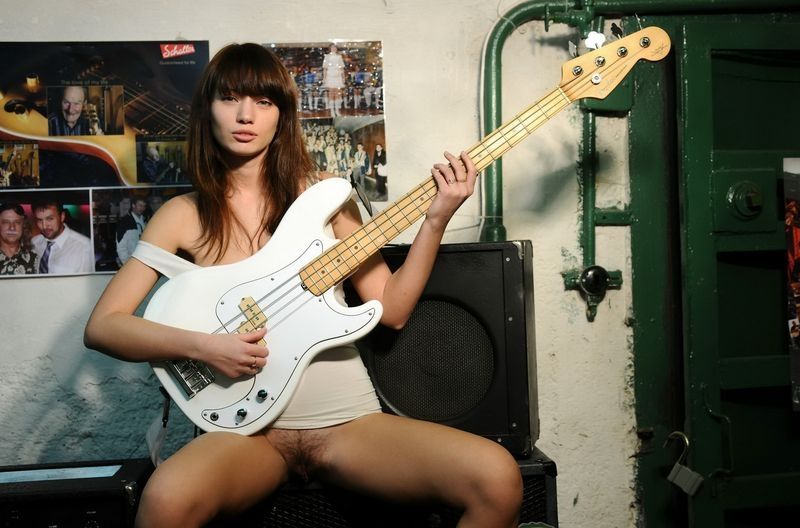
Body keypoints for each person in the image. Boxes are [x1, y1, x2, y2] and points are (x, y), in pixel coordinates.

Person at [83, 43, 521, 528]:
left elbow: (392, 309)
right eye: (230, 98)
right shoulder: (182, 216)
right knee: (166, 500)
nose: (246, 114)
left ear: (282, 116)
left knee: (496, 477)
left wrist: (436, 219)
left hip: (347, 424)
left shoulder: (327, 198)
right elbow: (104, 327)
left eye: (264, 102)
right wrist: (206, 347)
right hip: (248, 438)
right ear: (206, 109)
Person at [32, 201, 93, 274]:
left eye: (50, 219)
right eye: (39, 220)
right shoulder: (35, 242)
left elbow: (86, 283)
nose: (44, 226)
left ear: (62, 217)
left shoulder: (83, 246)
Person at [0, 202, 39, 275]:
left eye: (17, 222)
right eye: (6, 222)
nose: (12, 227)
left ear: (23, 225)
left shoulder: (35, 255)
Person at [116, 197, 148, 265]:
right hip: (131, 263)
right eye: (140, 205)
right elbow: (121, 247)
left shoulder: (146, 221)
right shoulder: (124, 222)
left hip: (144, 261)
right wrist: (127, 264)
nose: (142, 208)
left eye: (144, 206)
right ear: (133, 205)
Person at [321, 43, 346, 117]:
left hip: (338, 76)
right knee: (331, 93)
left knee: (338, 94)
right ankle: (332, 111)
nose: (334, 48)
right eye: (332, 47)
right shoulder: (327, 56)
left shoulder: (339, 56)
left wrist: (343, 77)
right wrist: (324, 78)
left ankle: (337, 110)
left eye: (335, 47)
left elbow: (342, 68)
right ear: (330, 48)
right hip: (330, 76)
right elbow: (325, 69)